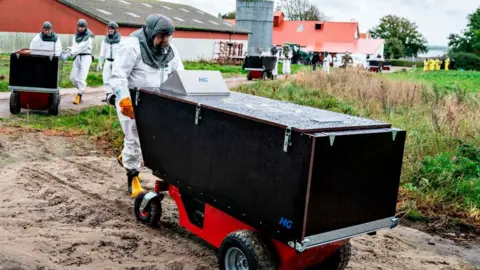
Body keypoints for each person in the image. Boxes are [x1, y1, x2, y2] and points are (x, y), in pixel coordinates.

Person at [107, 14, 184, 198]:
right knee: (134, 136)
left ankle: (127, 158)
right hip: (133, 99)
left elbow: (180, 75)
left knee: (156, 139)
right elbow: (118, 75)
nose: (164, 40)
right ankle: (133, 177)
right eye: (161, 36)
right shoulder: (132, 46)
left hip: (157, 101)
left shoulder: (170, 50)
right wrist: (124, 99)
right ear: (150, 33)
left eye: (168, 36)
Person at [63, 19, 94, 105]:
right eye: (79, 26)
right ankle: (82, 87)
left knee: (81, 78)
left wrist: (70, 53)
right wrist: (67, 50)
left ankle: (79, 95)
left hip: (86, 57)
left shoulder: (88, 38)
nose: (81, 28)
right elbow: (74, 46)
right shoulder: (75, 36)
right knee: (72, 78)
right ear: (77, 27)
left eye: (83, 27)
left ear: (85, 27)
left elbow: (80, 47)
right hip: (77, 57)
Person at [97, 21, 122, 102]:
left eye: (112, 29)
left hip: (116, 62)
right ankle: (108, 97)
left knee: (115, 79)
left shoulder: (120, 40)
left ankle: (116, 97)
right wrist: (100, 62)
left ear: (115, 30)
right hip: (108, 61)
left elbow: (122, 52)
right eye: (109, 29)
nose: (110, 30)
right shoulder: (105, 40)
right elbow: (102, 51)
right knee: (106, 78)